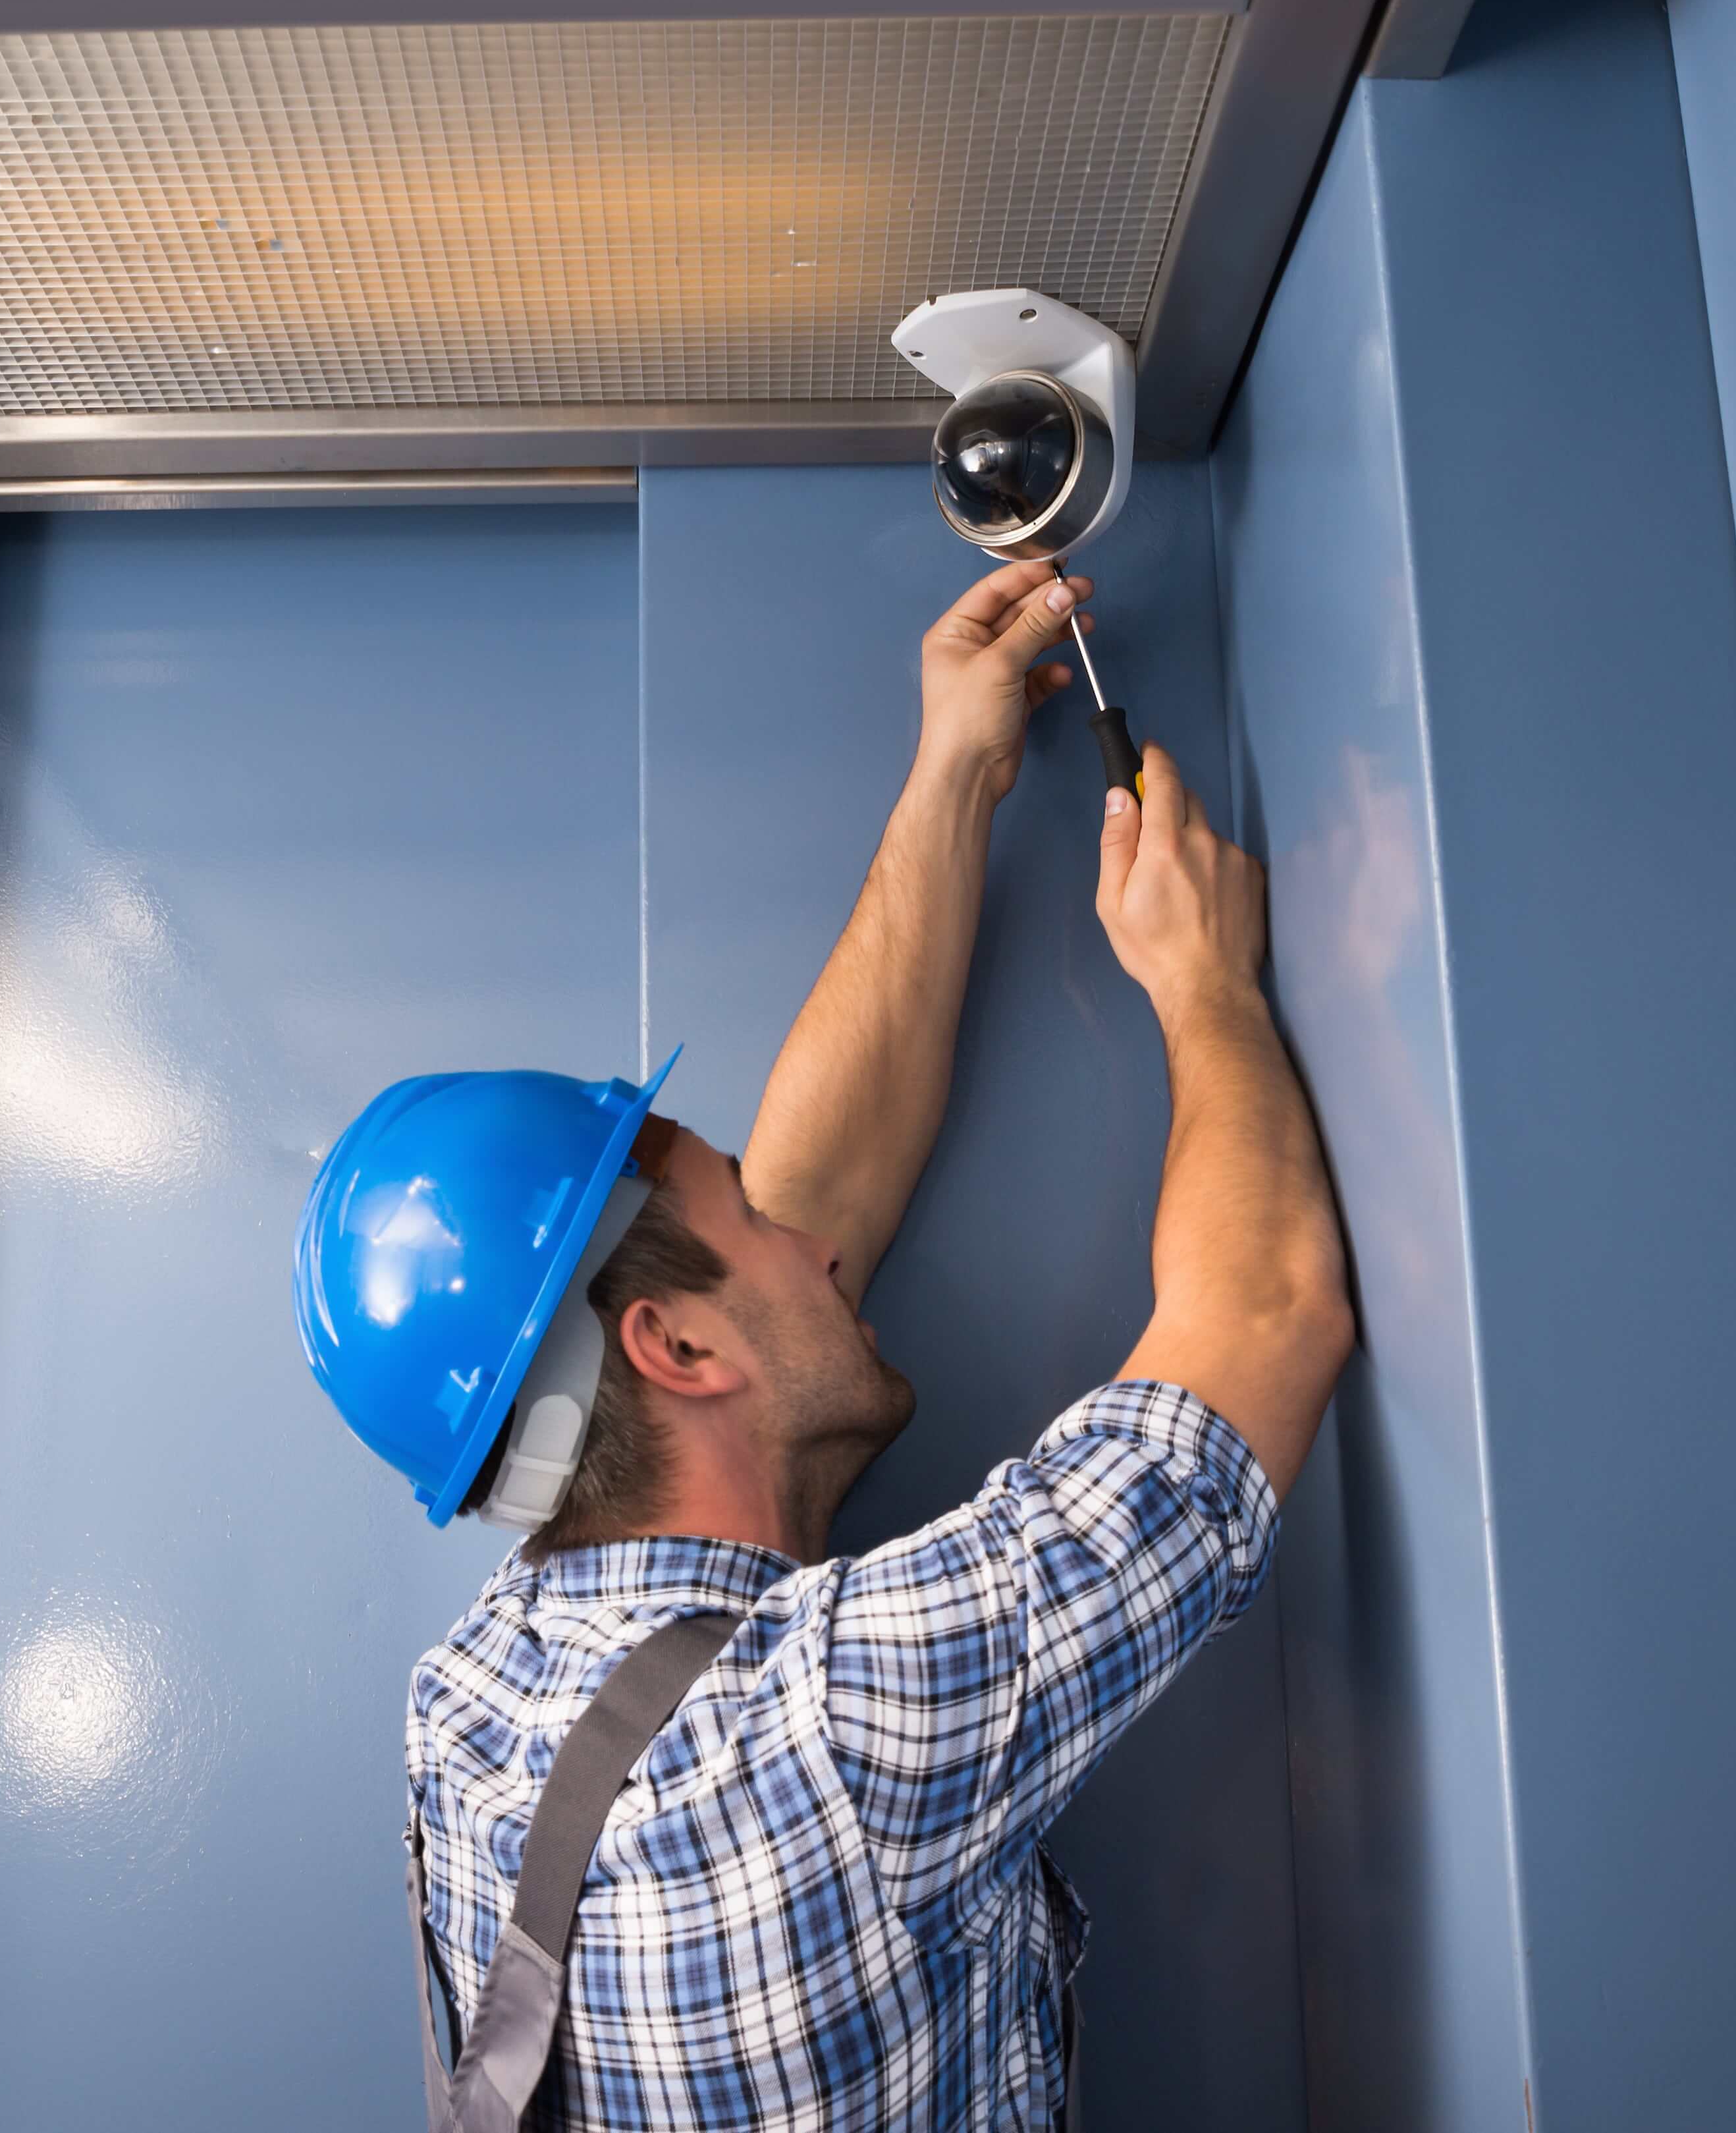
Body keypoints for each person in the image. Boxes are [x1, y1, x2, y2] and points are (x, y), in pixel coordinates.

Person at [292, 559, 1350, 2132]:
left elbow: (802, 1205)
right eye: (754, 1220)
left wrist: (957, 772)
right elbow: (1263, 1314)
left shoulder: (480, 1700)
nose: (817, 1246)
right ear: (672, 1349)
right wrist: (1199, 975)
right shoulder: (841, 1728)